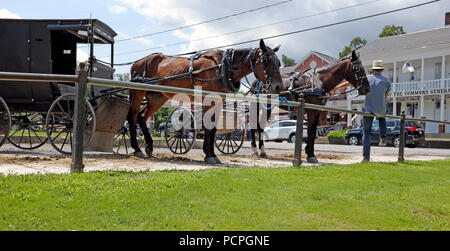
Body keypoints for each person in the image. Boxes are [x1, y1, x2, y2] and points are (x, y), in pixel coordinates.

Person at [362, 60, 391, 162]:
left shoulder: (367, 79)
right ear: (382, 70)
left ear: (372, 69)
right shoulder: (387, 81)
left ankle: (366, 157)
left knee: (366, 132)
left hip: (368, 108)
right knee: (382, 115)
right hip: (380, 109)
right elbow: (386, 96)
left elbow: (363, 91)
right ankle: (383, 137)